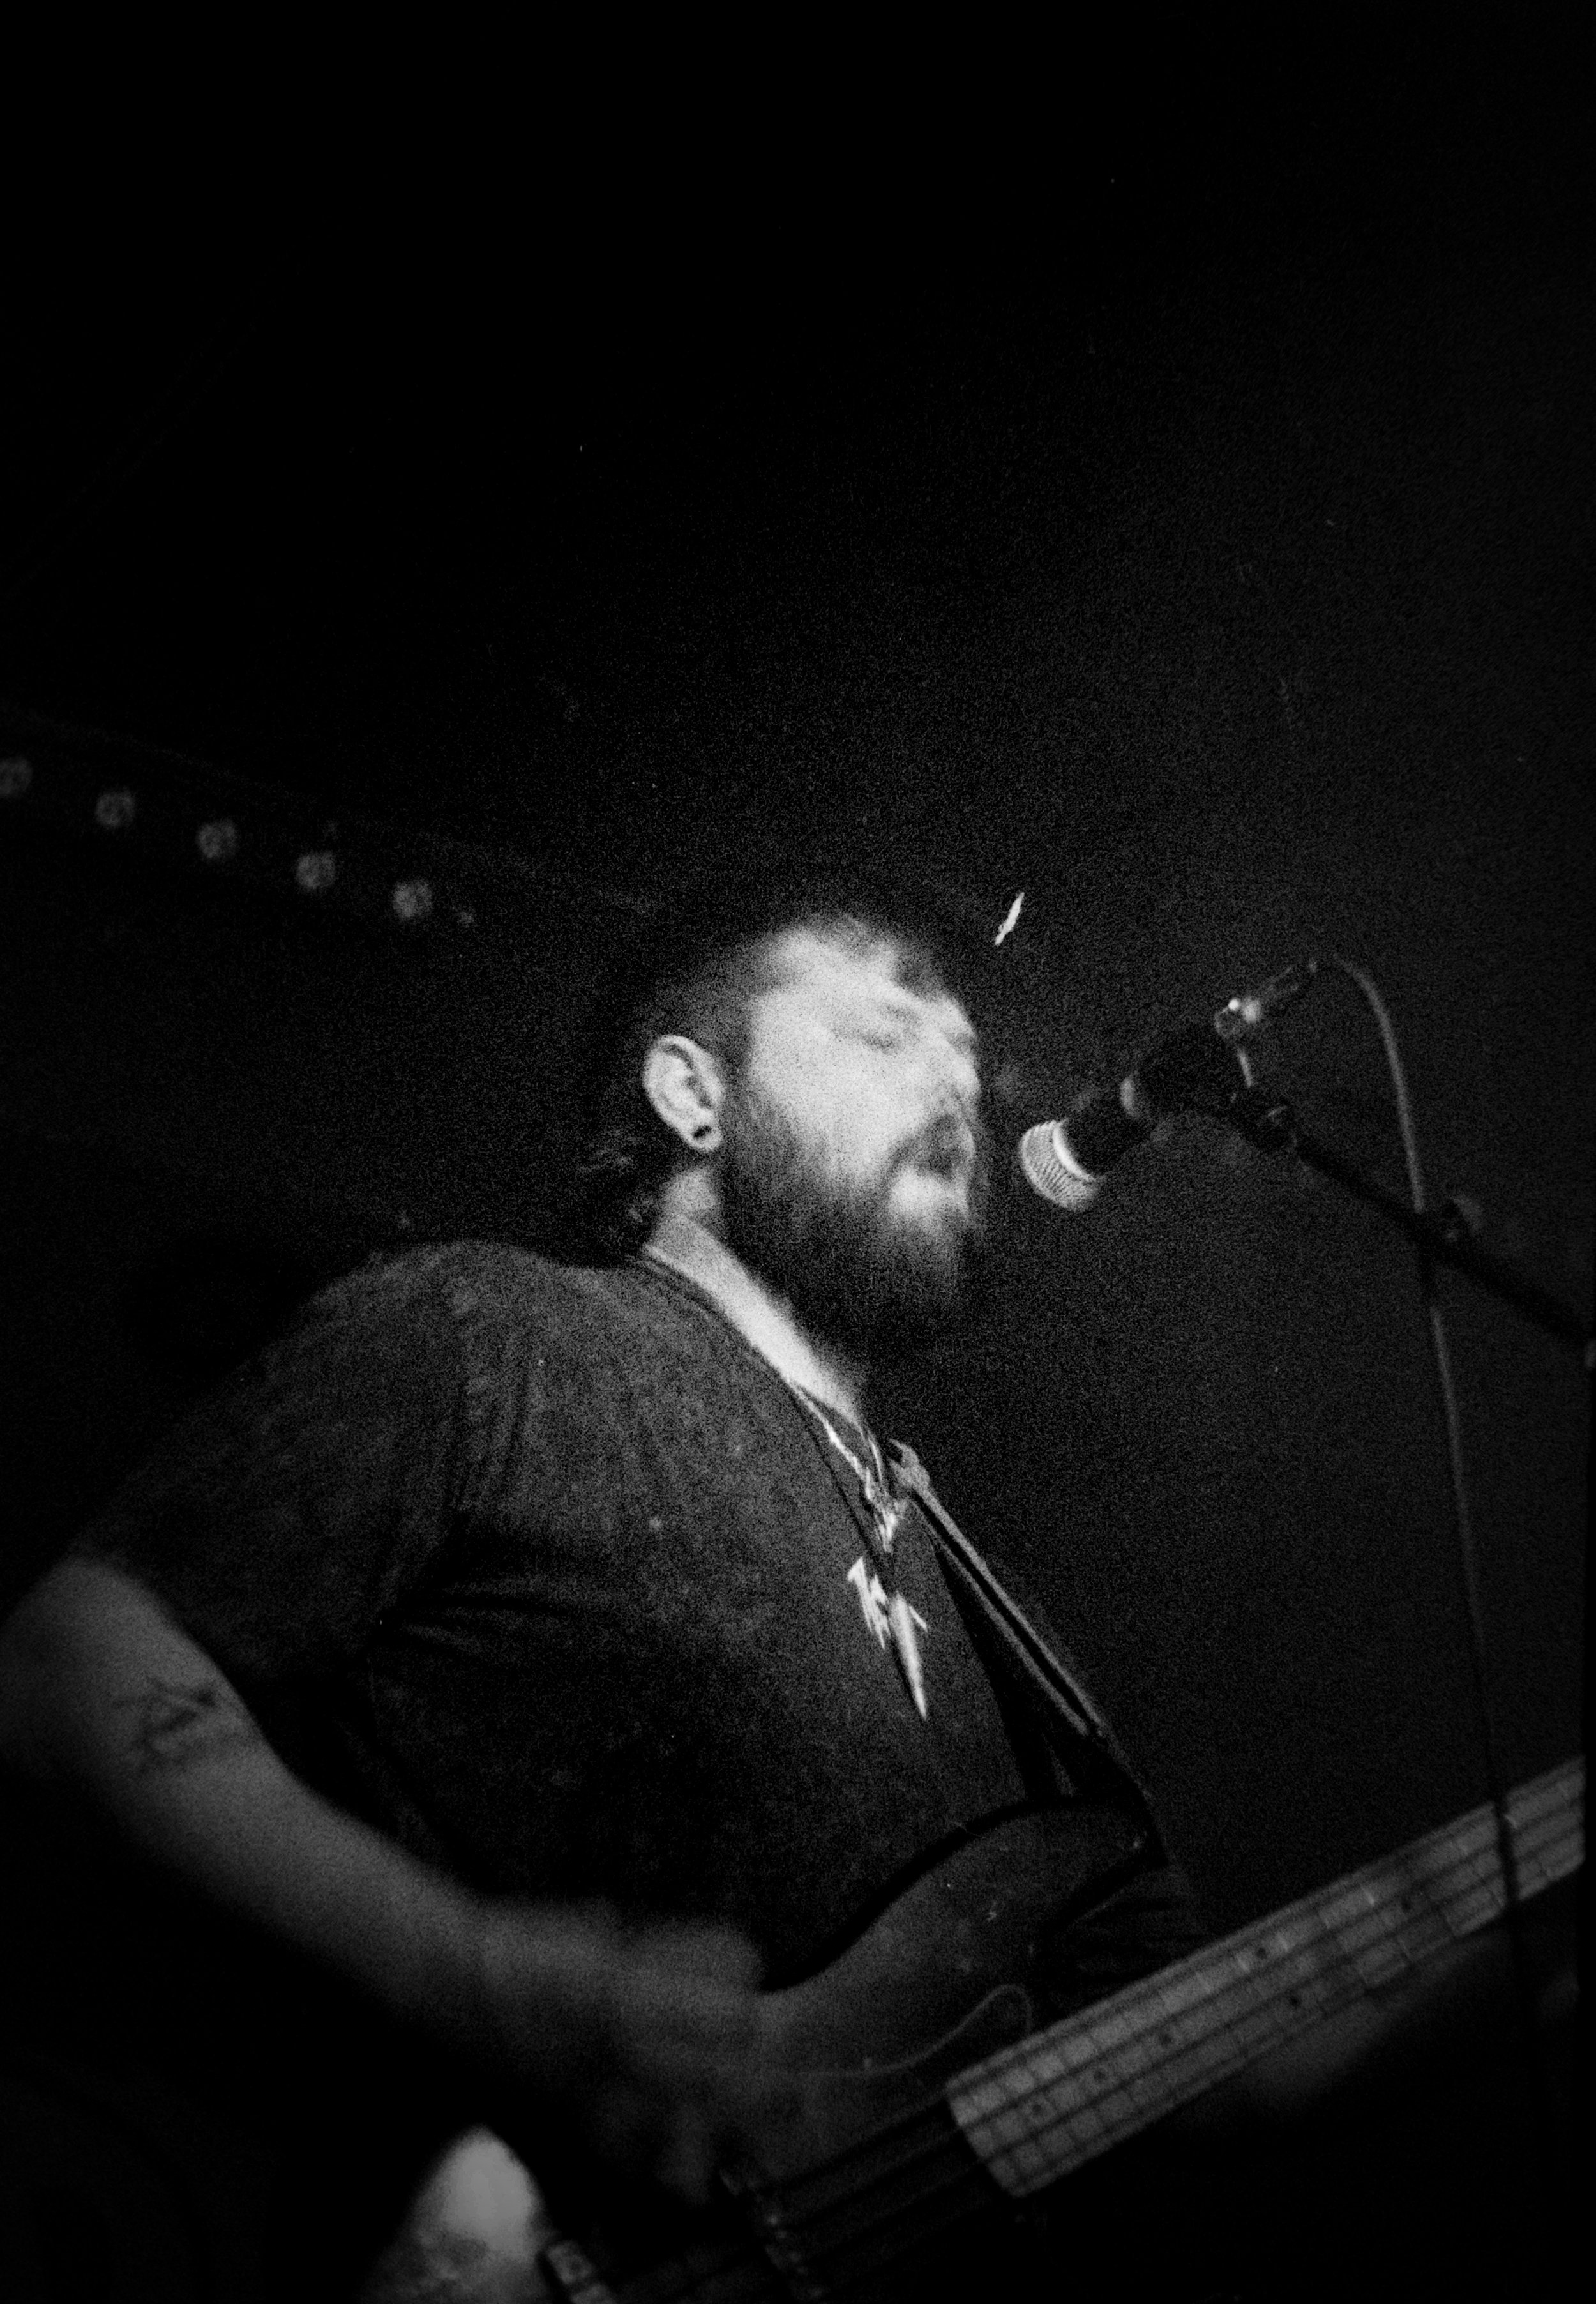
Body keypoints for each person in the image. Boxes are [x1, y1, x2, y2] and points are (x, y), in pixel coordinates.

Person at [0, 870, 1555, 2300]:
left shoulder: (994, 1624)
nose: (953, 1083)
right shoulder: (493, 1336)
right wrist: (468, 1969)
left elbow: (1213, 2061)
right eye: (884, 1034)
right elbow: (80, 1653)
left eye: (964, 1052)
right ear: (693, 1091)